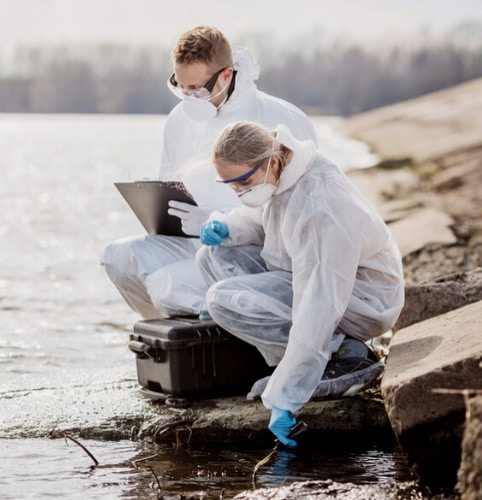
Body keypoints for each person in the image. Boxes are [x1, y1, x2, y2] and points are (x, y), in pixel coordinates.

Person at [196, 120, 404, 446]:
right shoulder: (282, 172)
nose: (239, 191)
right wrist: (228, 226)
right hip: (309, 274)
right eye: (230, 185)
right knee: (213, 254)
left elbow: (320, 300)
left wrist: (287, 397)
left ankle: (346, 353)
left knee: (222, 299)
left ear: (273, 161)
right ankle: (294, 357)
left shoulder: (320, 204)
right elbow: (268, 222)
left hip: (361, 298)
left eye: (243, 182)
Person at [100, 26, 316, 320]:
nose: (189, 98)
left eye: (198, 89)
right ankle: (170, 339)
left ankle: (230, 336)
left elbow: (301, 214)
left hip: (250, 252)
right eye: (181, 87)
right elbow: (170, 183)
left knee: (168, 284)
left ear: (226, 75)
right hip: (189, 239)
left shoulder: (279, 117)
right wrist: (165, 213)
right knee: (117, 257)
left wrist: (221, 222)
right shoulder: (179, 119)